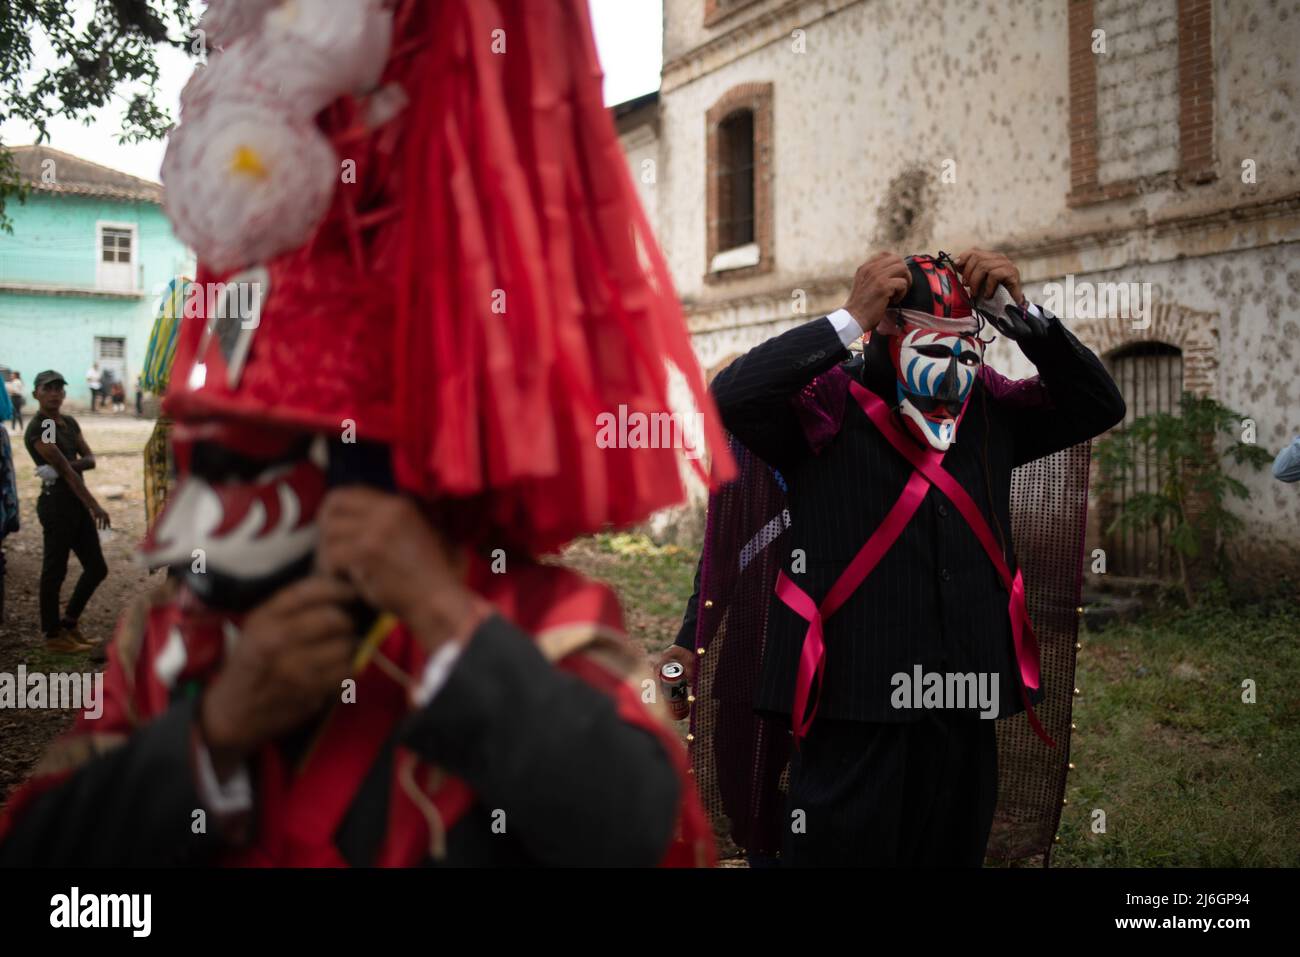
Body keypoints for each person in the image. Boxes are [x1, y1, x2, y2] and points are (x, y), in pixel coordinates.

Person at [0, 0, 727, 867]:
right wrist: (215, 728)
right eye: (235, 445)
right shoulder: (172, 636)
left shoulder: (539, 625)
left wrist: (445, 624)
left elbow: (654, 834)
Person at [685, 249, 1125, 866]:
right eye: (932, 346)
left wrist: (1018, 314)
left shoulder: (991, 413)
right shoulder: (823, 410)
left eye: (965, 349)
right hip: (852, 704)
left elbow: (1099, 405)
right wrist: (848, 319)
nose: (951, 372)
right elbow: (730, 397)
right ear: (888, 331)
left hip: (965, 697)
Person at [22, 370, 111, 654]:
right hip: (57, 505)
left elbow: (90, 459)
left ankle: (70, 624)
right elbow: (65, 469)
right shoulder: (43, 426)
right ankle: (53, 635)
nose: (55, 393)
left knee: (97, 567)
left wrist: (65, 466)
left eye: (59, 388)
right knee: (54, 571)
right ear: (36, 393)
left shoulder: (69, 423)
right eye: (48, 388)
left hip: (74, 502)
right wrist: (94, 504)